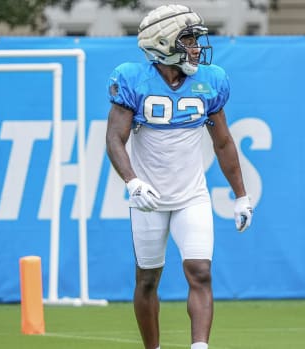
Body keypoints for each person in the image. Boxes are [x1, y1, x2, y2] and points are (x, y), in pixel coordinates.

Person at [105, 4, 253, 349]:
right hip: (149, 201)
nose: (196, 47)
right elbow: (115, 138)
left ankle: (199, 346)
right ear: (162, 42)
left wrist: (241, 195)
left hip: (192, 196)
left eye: (196, 39)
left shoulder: (210, 80)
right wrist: (133, 182)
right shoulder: (132, 79)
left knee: (201, 271)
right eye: (187, 38)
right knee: (147, 280)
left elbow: (224, 142)